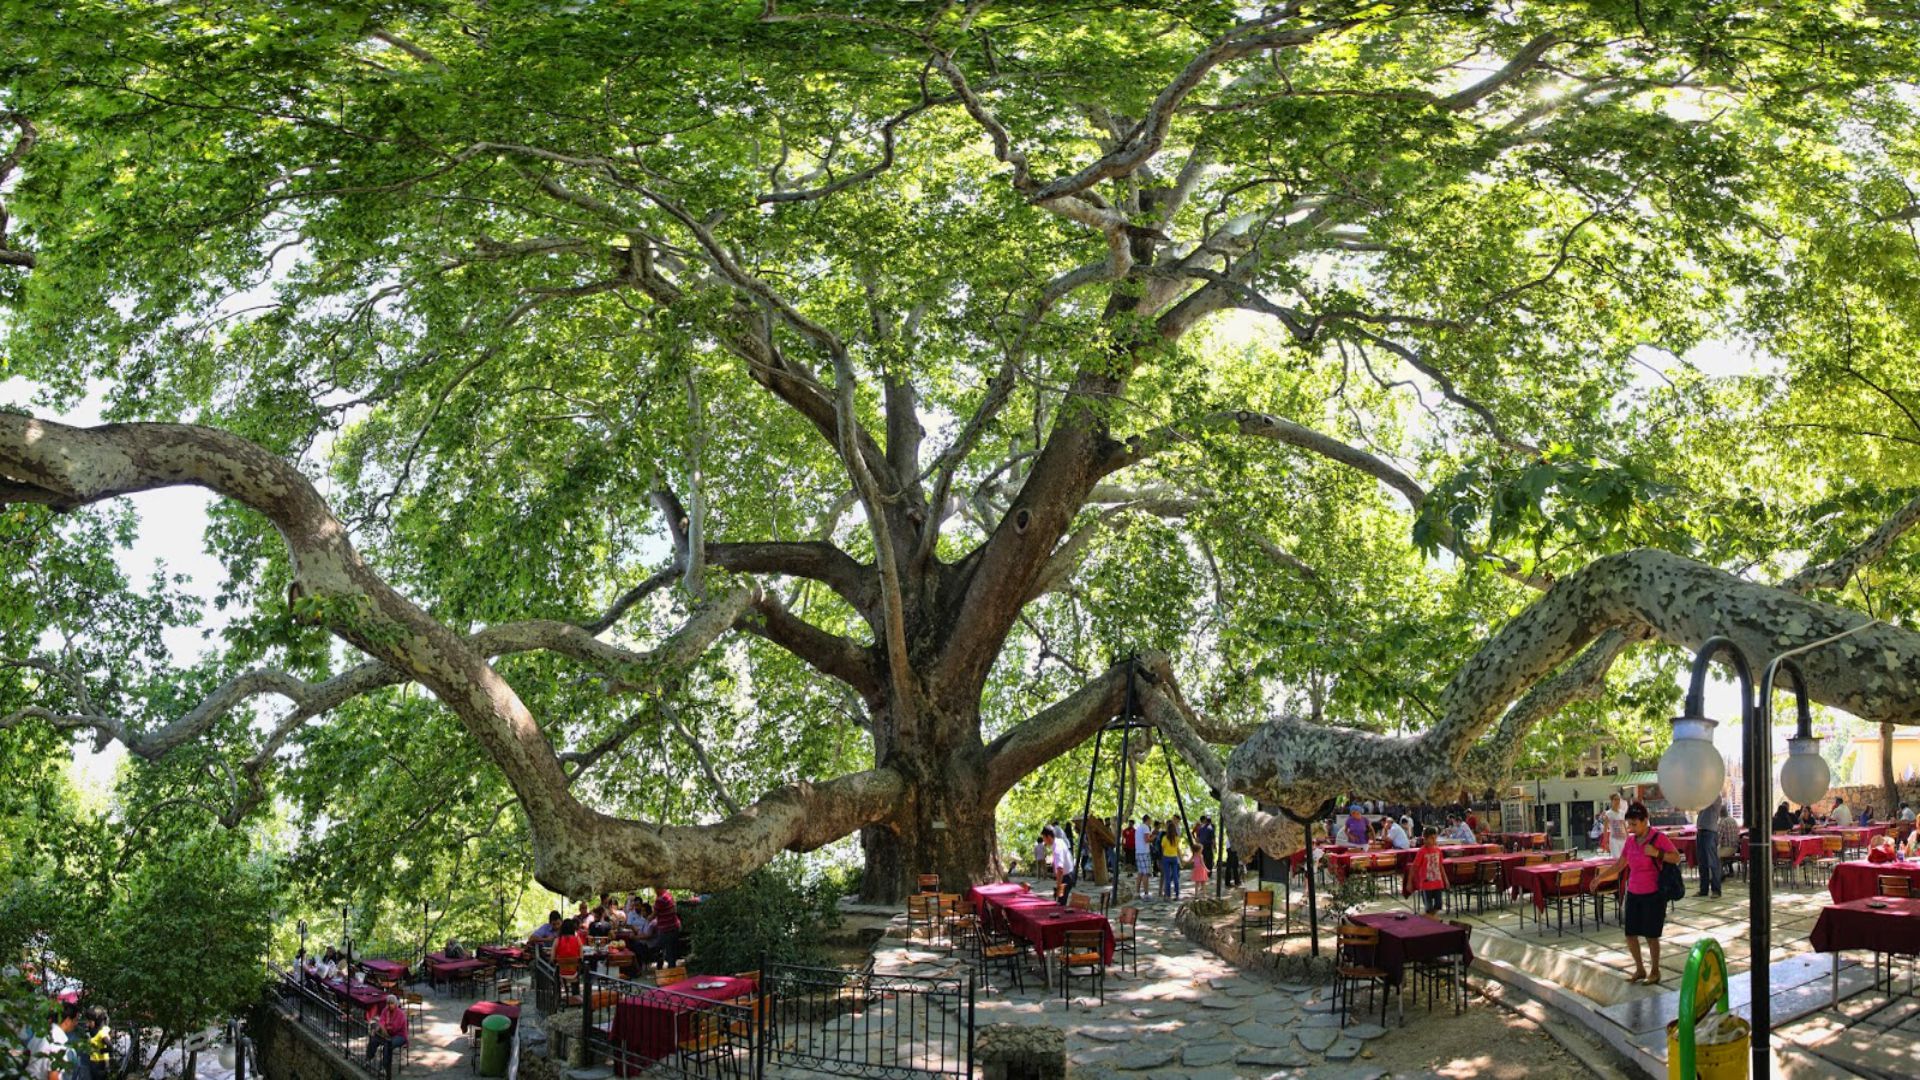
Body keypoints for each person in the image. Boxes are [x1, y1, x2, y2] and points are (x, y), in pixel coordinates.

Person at [1612, 802, 1681, 984]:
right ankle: (1640, 969)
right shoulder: (1630, 841)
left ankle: (1655, 970)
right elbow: (1620, 864)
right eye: (1630, 824)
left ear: (1645, 821)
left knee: (1651, 935)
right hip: (1634, 892)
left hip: (1653, 894)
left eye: (1634, 824)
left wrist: (1657, 853)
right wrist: (1599, 878)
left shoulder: (1658, 838)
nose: (1631, 828)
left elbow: (1676, 857)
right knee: (1630, 934)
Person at [28, 1001, 81, 1080]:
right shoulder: (59, 1044)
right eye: (75, 1020)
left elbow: (27, 1054)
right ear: (67, 1021)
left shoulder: (40, 1033)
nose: (76, 1023)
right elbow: (53, 1076)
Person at [364, 994, 408, 1076]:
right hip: (387, 1033)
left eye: (391, 1003)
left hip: (399, 1035)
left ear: (395, 1004)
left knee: (388, 1045)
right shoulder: (385, 1010)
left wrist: (384, 1028)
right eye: (388, 1003)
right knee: (373, 1039)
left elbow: (395, 1028)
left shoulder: (400, 1014)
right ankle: (368, 1059)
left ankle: (385, 1068)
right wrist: (377, 1030)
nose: (389, 1005)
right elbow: (381, 1022)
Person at [1410, 828, 1448, 914]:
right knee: (1428, 906)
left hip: (1438, 882)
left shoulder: (1438, 850)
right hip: (1426, 884)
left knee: (1439, 904)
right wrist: (1410, 882)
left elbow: (1440, 865)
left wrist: (1445, 879)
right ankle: (1429, 918)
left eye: (1435, 838)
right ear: (1425, 839)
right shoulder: (1421, 851)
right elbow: (1414, 867)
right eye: (1431, 838)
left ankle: (1431, 917)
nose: (1434, 840)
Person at [1694, 795, 1725, 898]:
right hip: (1701, 830)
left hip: (1710, 832)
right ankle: (1703, 890)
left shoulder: (1715, 796)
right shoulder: (1704, 795)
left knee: (1712, 862)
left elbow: (1704, 802)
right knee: (1702, 862)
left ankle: (1716, 890)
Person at [653, 890, 683, 964]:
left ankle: (666, 969)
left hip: (666, 928)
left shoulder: (660, 900)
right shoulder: (668, 894)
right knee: (671, 951)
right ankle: (670, 967)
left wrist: (647, 918)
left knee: (660, 948)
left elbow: (654, 914)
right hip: (674, 926)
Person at [1158, 819, 1184, 900]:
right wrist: (1181, 859)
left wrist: (1162, 858)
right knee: (1176, 877)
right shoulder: (1177, 838)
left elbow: (1162, 849)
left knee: (1167, 877)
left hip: (1166, 858)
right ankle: (1177, 895)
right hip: (1174, 858)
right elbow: (1177, 849)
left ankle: (1168, 896)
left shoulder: (1165, 838)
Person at [1134, 815, 1155, 896]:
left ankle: (1137, 892)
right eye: (1150, 820)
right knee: (1146, 873)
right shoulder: (1146, 827)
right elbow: (1146, 840)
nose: (1151, 822)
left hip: (1138, 852)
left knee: (1140, 873)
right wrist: (1153, 837)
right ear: (1148, 820)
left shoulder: (1139, 827)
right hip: (1144, 852)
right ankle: (1146, 894)